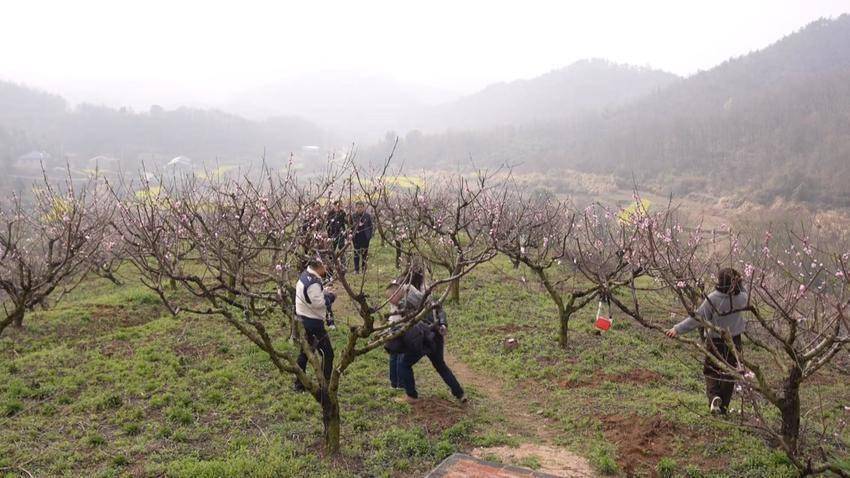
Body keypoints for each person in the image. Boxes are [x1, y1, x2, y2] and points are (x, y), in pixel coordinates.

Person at [666, 268, 748, 414]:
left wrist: (677, 329)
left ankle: (714, 397)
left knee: (710, 371)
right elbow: (744, 290)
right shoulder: (742, 298)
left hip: (715, 341)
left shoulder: (713, 298)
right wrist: (740, 283)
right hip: (735, 341)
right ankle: (723, 407)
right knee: (730, 373)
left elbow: (698, 318)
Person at [386, 280, 466, 404]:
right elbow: (438, 307)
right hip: (436, 334)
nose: (390, 301)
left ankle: (411, 396)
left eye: (390, 297)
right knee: (440, 366)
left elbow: (410, 325)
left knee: (404, 364)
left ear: (397, 293)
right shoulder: (419, 293)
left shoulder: (406, 303)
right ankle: (460, 393)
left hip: (423, 339)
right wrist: (443, 324)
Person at [293, 259, 336, 392]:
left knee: (305, 352)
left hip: (303, 317)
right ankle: (325, 383)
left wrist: (323, 291)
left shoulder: (305, 275)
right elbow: (318, 303)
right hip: (313, 322)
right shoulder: (313, 283)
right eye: (325, 267)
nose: (326, 269)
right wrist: (331, 297)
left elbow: (310, 297)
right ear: (319, 267)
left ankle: (299, 384)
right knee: (328, 353)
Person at [351, 201, 373, 274]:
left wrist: (369, 236)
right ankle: (356, 270)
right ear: (355, 208)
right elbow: (350, 226)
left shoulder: (367, 216)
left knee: (364, 254)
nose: (359, 209)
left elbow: (371, 226)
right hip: (356, 237)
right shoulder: (353, 216)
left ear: (363, 208)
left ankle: (364, 269)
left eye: (361, 207)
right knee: (356, 253)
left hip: (365, 237)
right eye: (358, 207)